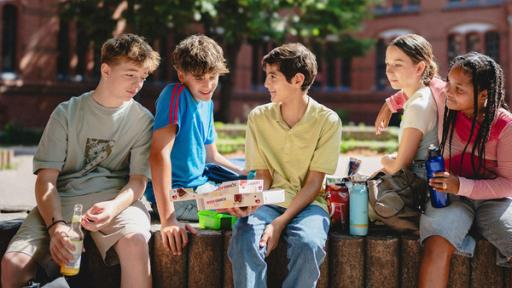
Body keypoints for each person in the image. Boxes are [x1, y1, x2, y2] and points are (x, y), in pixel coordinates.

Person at [1, 33, 160, 288]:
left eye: (143, 77)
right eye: (130, 74)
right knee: (13, 265)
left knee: (135, 245)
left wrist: (114, 207)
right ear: (106, 70)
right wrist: (56, 227)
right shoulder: (66, 113)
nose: (138, 84)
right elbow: (46, 180)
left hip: (115, 199)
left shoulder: (143, 121)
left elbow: (138, 181)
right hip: (62, 200)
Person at [377, 52, 512, 287]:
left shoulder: (504, 126)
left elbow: (509, 183)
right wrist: (390, 104)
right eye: (449, 82)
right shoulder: (445, 97)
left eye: (460, 89)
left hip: (493, 201)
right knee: (436, 244)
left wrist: (461, 184)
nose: (449, 90)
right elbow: (422, 85)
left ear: (484, 95)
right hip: (449, 198)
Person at [227, 43, 342, 288]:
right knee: (245, 234)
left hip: (309, 204)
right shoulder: (258, 117)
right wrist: (249, 201)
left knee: (308, 243)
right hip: (269, 200)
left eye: (273, 77)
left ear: (298, 79)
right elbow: (263, 175)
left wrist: (280, 223)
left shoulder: (327, 121)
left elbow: (314, 184)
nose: (266, 84)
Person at [148, 34, 245, 256]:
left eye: (213, 76)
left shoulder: (206, 102)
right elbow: (158, 156)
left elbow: (211, 155)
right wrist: (169, 219)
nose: (208, 85)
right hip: (177, 195)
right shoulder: (175, 95)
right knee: (245, 211)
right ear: (182, 75)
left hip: (201, 186)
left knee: (255, 187)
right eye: (200, 78)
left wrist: (242, 171)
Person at [378, 34, 440, 180]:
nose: (389, 71)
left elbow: (399, 169)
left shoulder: (418, 106)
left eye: (398, 64)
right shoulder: (423, 95)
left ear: (419, 68)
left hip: (420, 188)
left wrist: (384, 159)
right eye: (387, 64)